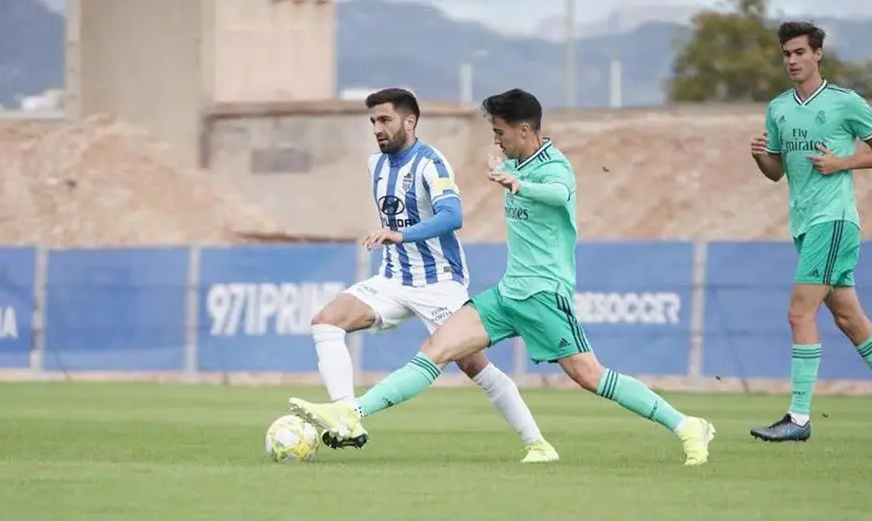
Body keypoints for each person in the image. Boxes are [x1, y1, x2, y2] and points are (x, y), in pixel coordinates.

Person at [289, 88, 716, 466]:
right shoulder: (515, 162)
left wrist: (518, 184)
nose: (496, 139)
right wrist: (508, 175)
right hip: (508, 294)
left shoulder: (553, 168)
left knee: (591, 376)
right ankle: (351, 413)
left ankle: (686, 425)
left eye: (500, 132)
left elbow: (560, 195)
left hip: (545, 296)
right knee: (436, 349)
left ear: (525, 129)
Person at [308, 87, 558, 463]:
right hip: (392, 280)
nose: (377, 128)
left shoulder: (430, 163)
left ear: (410, 121)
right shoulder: (375, 164)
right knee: (326, 322)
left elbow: (452, 216)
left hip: (439, 283)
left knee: (475, 366)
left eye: (385, 119)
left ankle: (537, 443)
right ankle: (348, 418)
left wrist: (401, 234)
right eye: (373, 120)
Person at [748, 21, 872, 443]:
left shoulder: (846, 103)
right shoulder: (778, 108)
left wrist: (842, 163)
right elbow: (776, 173)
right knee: (849, 318)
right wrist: (760, 157)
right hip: (803, 225)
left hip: (834, 221)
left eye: (799, 52)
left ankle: (798, 418)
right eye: (786, 54)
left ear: (817, 55)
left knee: (799, 312)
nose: (792, 60)